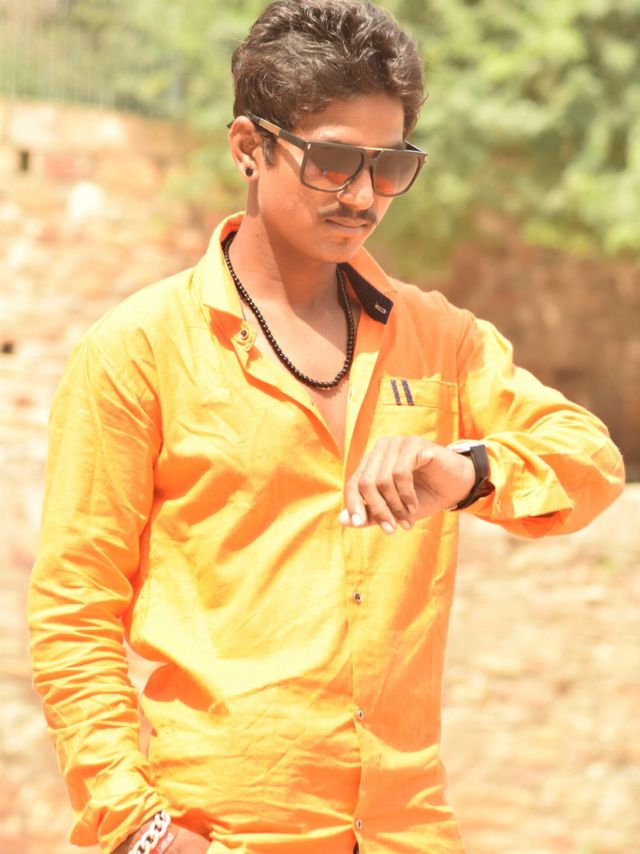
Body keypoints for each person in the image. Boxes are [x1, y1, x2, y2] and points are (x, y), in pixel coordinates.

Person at [28, 1, 625, 853]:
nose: (364, 196)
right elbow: (75, 608)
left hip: (406, 831)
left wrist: (466, 471)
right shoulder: (139, 350)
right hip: (218, 831)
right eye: (334, 160)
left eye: (391, 165)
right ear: (249, 146)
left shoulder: (440, 338)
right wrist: (140, 830)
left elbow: (590, 458)